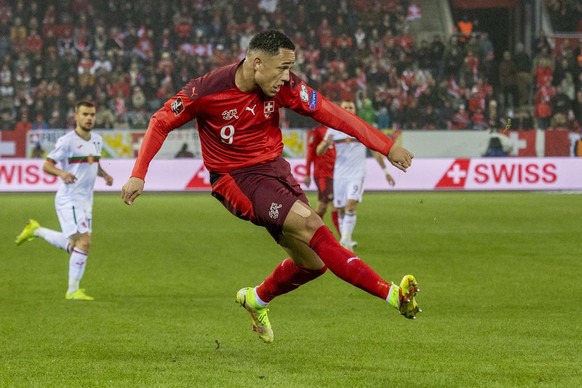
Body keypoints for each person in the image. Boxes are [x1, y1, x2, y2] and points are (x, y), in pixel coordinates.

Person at [121, 30, 420, 343]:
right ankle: (392, 294)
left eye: (291, 67)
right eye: (282, 67)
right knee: (310, 224)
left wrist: (385, 146)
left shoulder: (286, 87)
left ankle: (256, 299)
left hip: (276, 171)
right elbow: (160, 121)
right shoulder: (206, 90)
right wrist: (139, 173)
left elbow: (333, 113)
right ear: (258, 62)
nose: (287, 76)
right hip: (236, 178)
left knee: (314, 263)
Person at [15, 101, 114, 301]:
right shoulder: (67, 141)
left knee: (75, 245)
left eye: (92, 114)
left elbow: (94, 162)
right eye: (85, 114)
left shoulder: (97, 140)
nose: (89, 118)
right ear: (76, 116)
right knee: (84, 242)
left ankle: (36, 230)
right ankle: (72, 291)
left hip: (86, 200)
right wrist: (62, 173)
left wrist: (104, 174)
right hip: (70, 198)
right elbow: (46, 165)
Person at [317, 99, 396, 250]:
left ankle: (345, 242)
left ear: (354, 110)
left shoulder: (361, 127)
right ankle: (346, 239)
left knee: (350, 206)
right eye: (345, 107)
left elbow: (374, 151)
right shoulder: (333, 128)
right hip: (339, 175)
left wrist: (386, 172)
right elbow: (319, 151)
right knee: (340, 209)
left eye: (350, 107)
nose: (348, 109)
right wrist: (326, 144)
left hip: (356, 174)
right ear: (340, 109)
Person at [304, 123, 339, 234]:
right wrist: (307, 173)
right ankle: (344, 239)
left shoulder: (335, 129)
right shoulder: (316, 131)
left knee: (321, 207)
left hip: (335, 173)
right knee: (334, 205)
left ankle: (310, 231)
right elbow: (310, 153)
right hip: (323, 175)